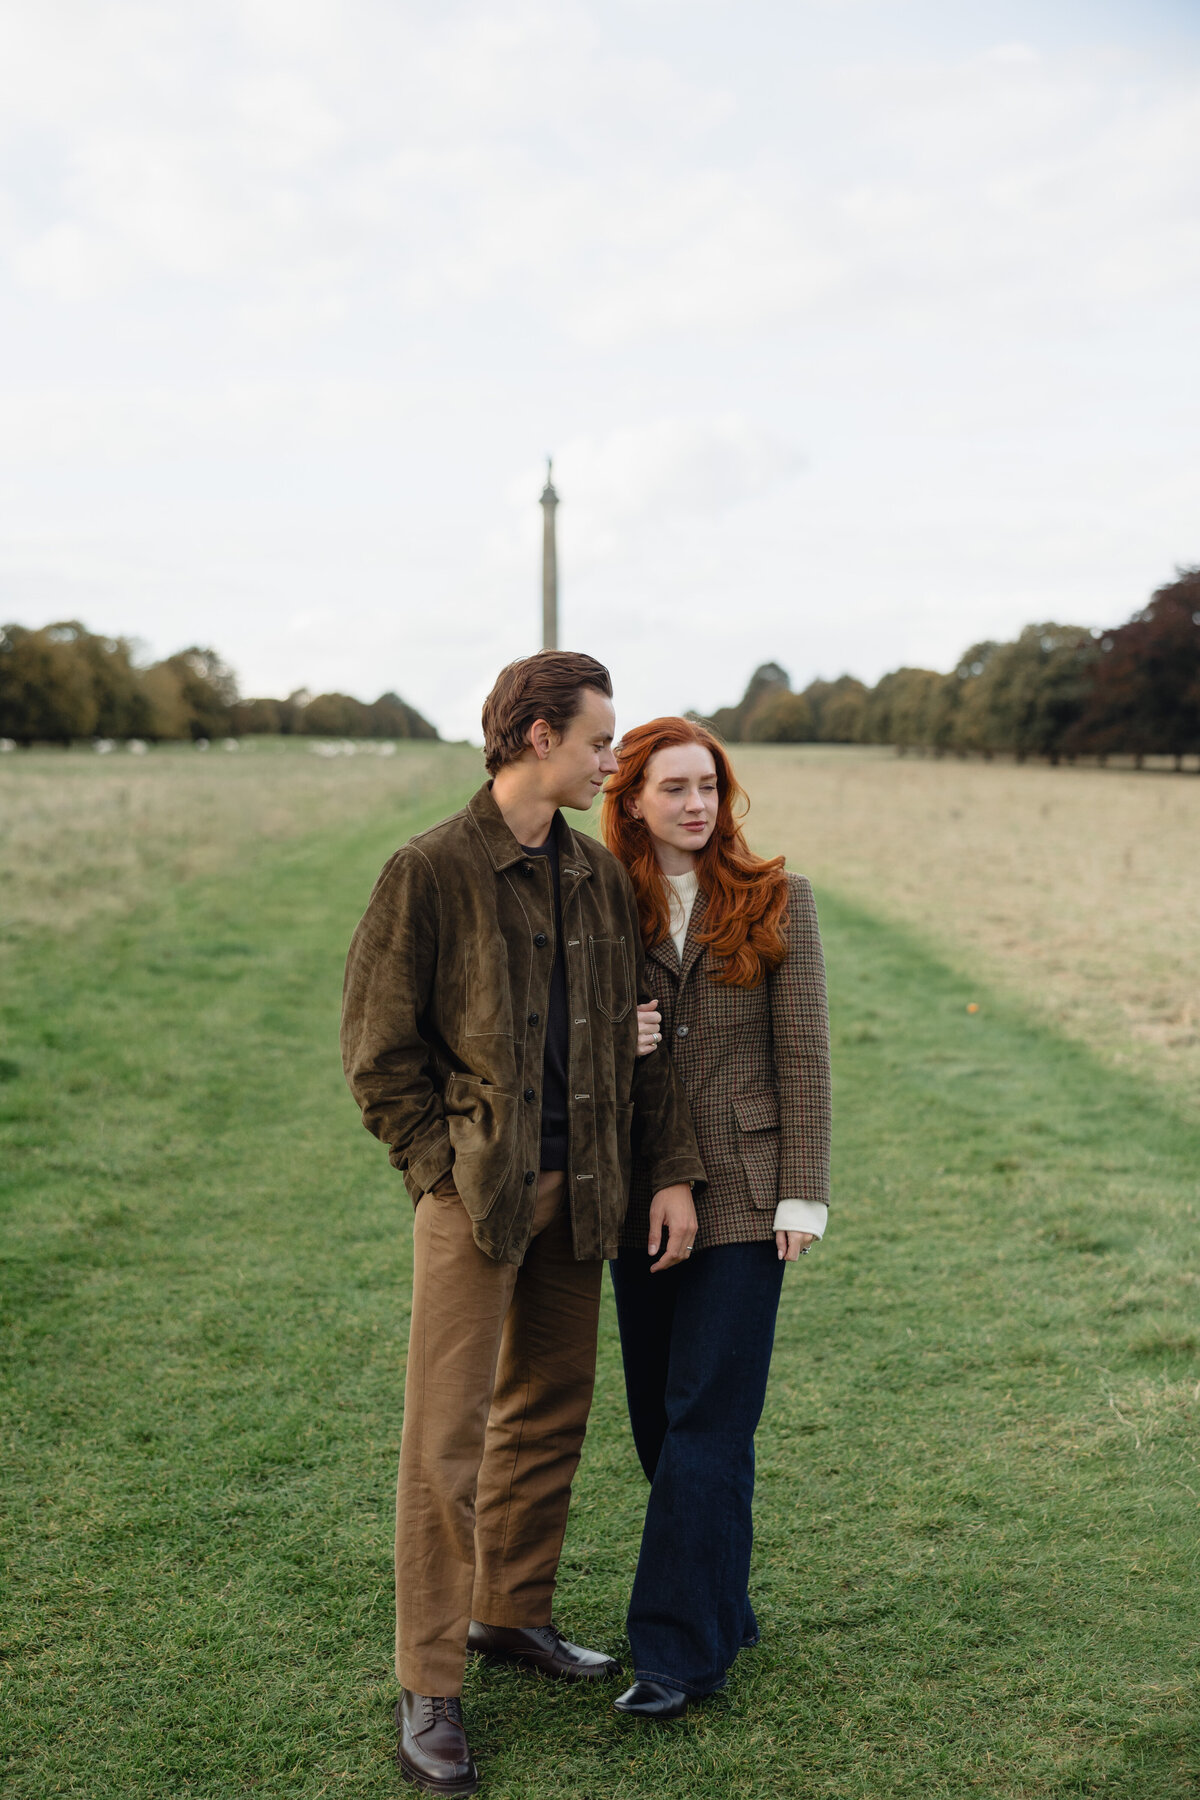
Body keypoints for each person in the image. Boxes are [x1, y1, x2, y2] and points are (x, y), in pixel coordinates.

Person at [340, 654, 705, 1794]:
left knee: (550, 1410)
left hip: (584, 1195)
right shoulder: (429, 872)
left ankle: (513, 1616)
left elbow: (640, 1038)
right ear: (538, 736)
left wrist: (668, 1168)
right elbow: (379, 1054)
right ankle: (430, 1683)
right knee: (444, 1443)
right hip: (475, 1200)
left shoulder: (599, 878)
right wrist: (434, 1170)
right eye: (600, 742)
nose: (613, 762)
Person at [600, 716, 832, 1719]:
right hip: (636, 1189)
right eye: (674, 789)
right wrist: (614, 1031)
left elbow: (806, 1055)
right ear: (634, 802)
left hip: (744, 1193)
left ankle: (678, 1657)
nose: (696, 805)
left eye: (709, 786)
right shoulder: (600, 906)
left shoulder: (780, 899)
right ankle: (722, 1602)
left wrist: (802, 1191)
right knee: (661, 1424)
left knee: (709, 1420)